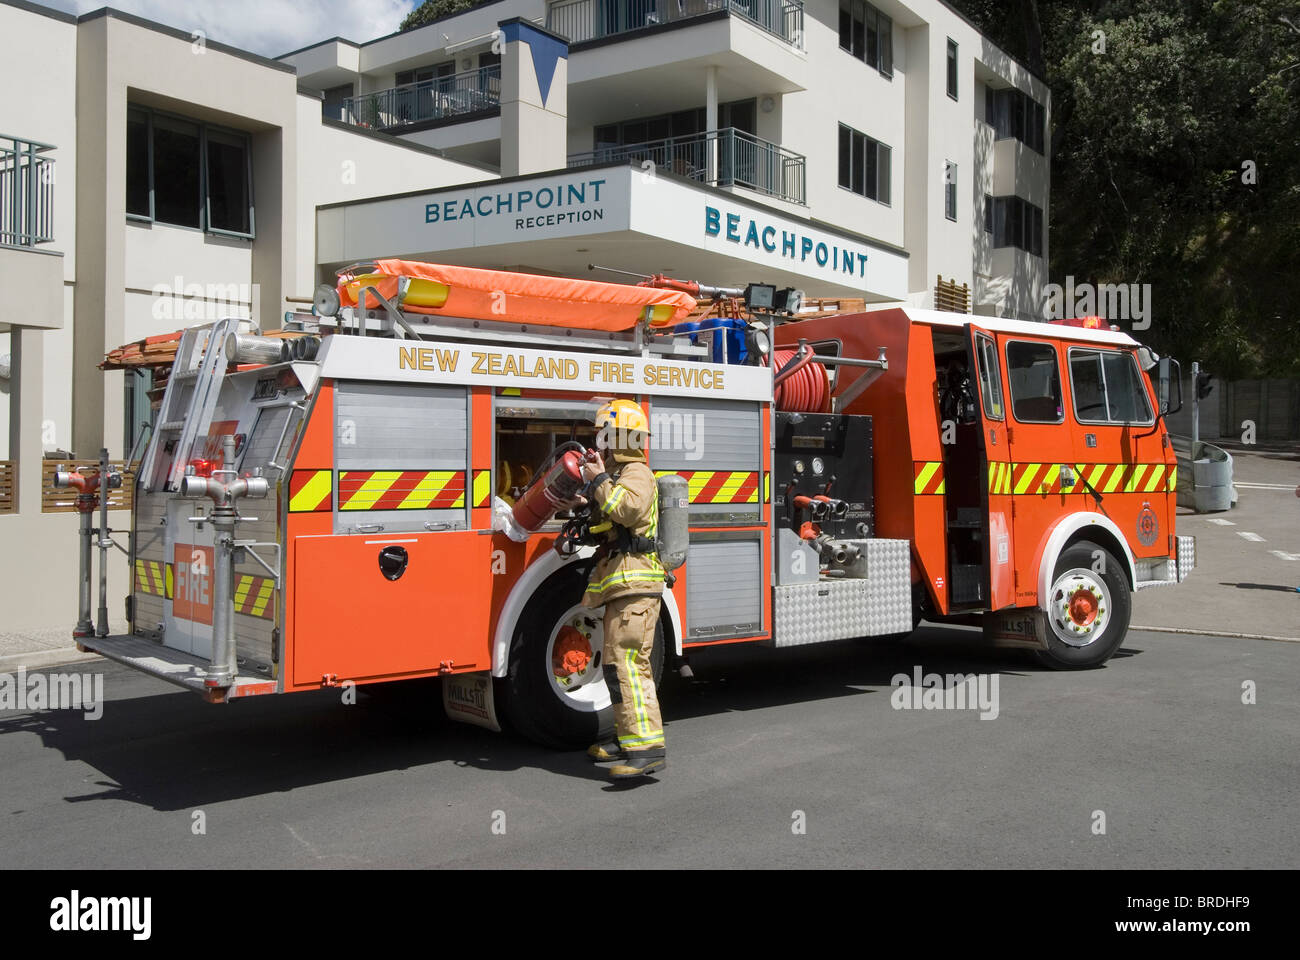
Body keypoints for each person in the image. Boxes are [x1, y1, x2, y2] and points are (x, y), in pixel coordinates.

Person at [578, 399, 668, 778]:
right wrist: (588, 495)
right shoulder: (619, 474)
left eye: (606, 436)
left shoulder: (637, 473)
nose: (601, 444)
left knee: (630, 664)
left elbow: (628, 510)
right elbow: (608, 520)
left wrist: (599, 482)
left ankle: (647, 747)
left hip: (637, 585)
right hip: (623, 584)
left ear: (621, 439)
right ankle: (627, 736)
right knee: (617, 666)